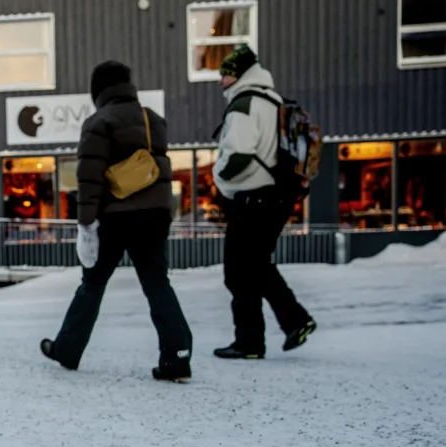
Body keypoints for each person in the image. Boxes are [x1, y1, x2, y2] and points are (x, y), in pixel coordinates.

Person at [40, 61, 193, 382]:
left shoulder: (99, 122)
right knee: (157, 283)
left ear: (99, 91)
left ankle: (67, 349)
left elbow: (89, 179)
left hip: (115, 217)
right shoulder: (154, 121)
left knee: (92, 285)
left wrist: (85, 225)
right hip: (153, 215)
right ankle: (177, 355)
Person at [211, 46, 316, 359]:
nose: (221, 80)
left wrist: (219, 180)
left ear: (241, 73)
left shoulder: (245, 104)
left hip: (253, 197)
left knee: (238, 269)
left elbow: (238, 155)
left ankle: (255, 339)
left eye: (226, 73)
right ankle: (284, 326)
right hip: (278, 196)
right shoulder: (273, 101)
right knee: (255, 265)